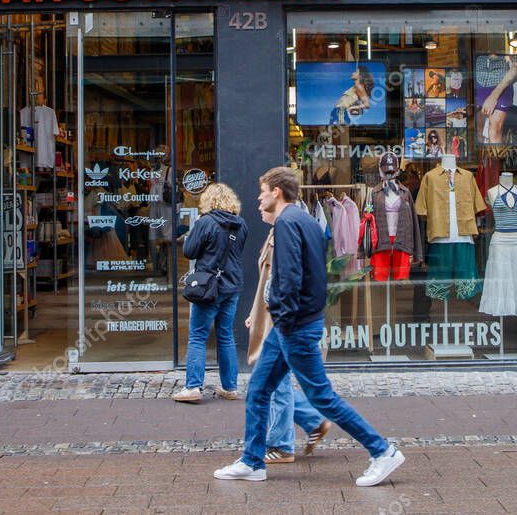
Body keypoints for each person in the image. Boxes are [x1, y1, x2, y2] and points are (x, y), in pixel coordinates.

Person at [214, 167, 405, 486]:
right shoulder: (305, 220)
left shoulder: (288, 223)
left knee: (322, 397)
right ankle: (252, 461)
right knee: (259, 390)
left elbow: (289, 278)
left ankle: (382, 451)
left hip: (294, 326)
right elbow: (316, 276)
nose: (259, 198)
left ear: (277, 191)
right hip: (294, 323)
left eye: (262, 192)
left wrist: (285, 319)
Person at [246, 208, 331, 464]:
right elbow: (266, 282)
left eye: (263, 198)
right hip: (274, 317)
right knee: (270, 381)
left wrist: (270, 317)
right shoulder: (276, 234)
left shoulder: (284, 235)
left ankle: (282, 445)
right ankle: (313, 420)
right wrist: (255, 312)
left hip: (278, 320)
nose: (258, 205)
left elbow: (279, 284)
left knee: (274, 385)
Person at [173, 183, 248, 403]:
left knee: (198, 335)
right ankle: (229, 387)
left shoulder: (205, 222)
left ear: (209, 201)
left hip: (209, 286)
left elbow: (189, 252)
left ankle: (193, 387)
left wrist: (194, 231)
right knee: (225, 335)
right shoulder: (241, 224)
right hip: (232, 285)